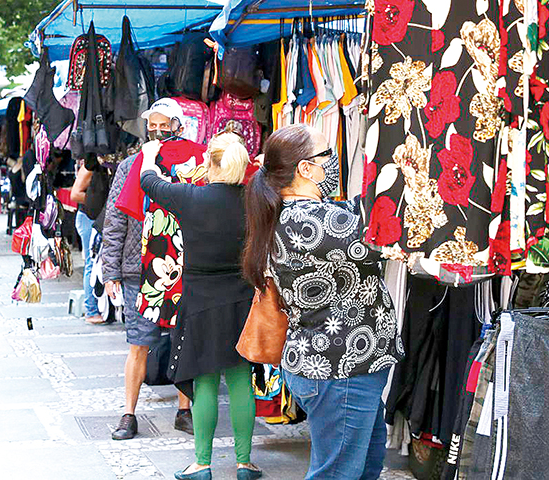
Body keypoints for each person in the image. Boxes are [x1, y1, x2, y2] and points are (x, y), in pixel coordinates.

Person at [241, 124, 403, 480]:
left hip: (335, 364)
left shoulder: (295, 214)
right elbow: (388, 232)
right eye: (326, 156)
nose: (331, 164)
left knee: (361, 465)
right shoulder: (315, 220)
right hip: (340, 366)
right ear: (305, 168)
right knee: (338, 473)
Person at [140, 133, 260, 480]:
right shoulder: (254, 199)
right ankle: (244, 463)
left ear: (210, 163)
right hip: (241, 299)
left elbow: (150, 182)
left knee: (204, 380)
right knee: (240, 379)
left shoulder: (190, 196)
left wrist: (150, 153)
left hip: (200, 301)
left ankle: (202, 463)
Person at [103, 158, 193, 440]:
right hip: (137, 268)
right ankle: (129, 413)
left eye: (165, 123)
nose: (159, 129)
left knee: (184, 338)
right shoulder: (131, 165)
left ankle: (184, 410)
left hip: (181, 264)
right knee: (139, 343)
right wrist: (110, 270)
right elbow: (115, 217)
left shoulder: (191, 159)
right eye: (153, 124)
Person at [70, 157, 103, 324]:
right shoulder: (89, 166)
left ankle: (100, 307)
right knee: (92, 262)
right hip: (88, 218)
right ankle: (91, 310)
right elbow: (75, 194)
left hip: (95, 217)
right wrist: (101, 202)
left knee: (99, 262)